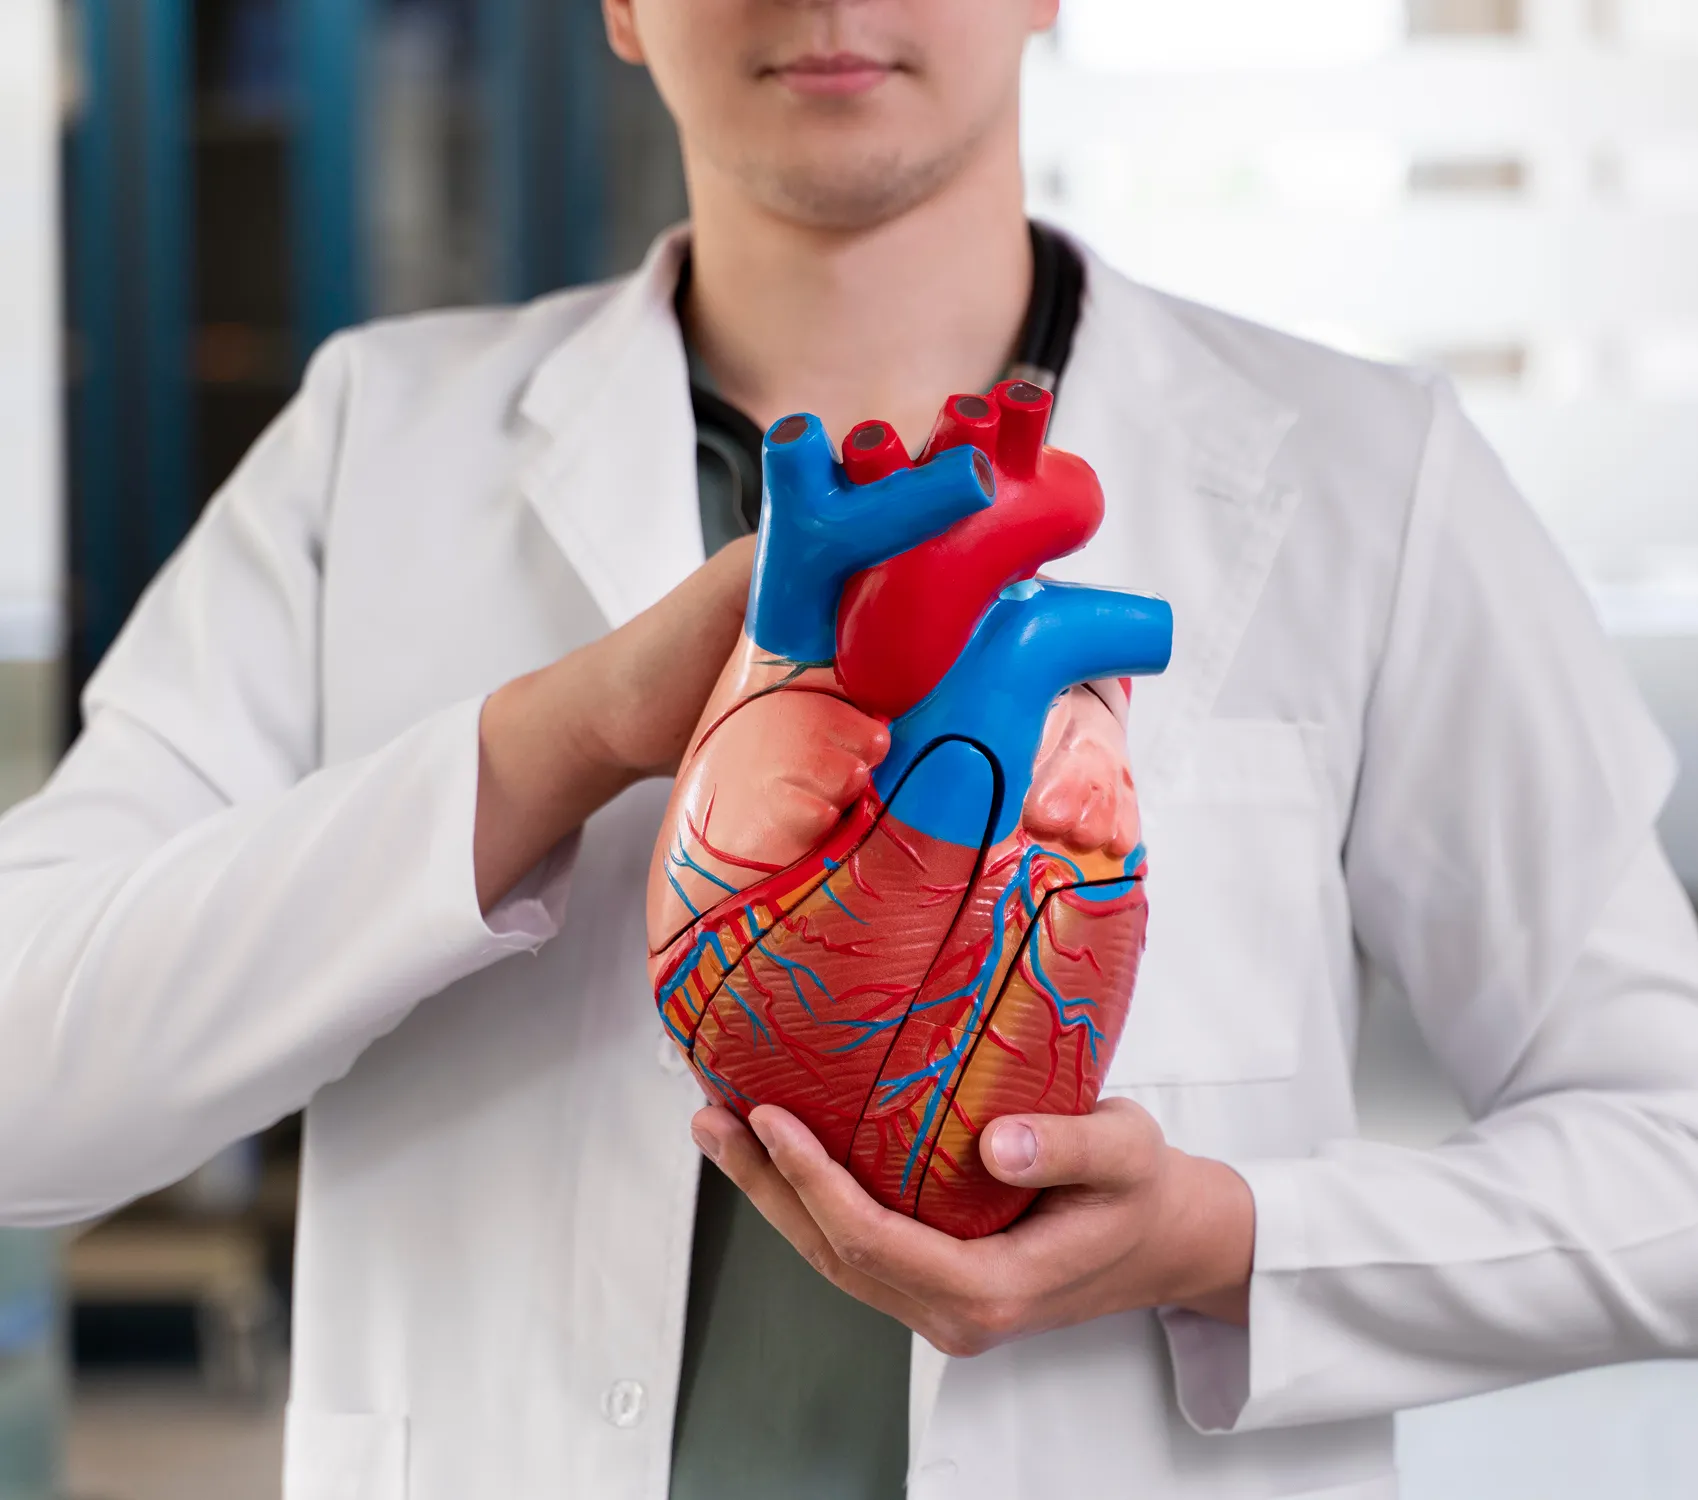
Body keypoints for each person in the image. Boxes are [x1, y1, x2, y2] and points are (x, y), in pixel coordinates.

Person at [4, 0, 1698, 1496]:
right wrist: (571, 734)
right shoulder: (369, 448)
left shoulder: (1364, 478)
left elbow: (1672, 1160)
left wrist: (1222, 1244)